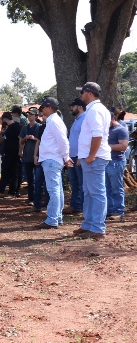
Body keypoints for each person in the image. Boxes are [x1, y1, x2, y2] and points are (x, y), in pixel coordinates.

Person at [76, 82, 112, 239]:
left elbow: (97, 135)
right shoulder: (96, 109)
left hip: (95, 158)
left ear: (89, 93)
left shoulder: (95, 110)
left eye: (82, 92)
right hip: (92, 157)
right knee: (90, 192)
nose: (80, 95)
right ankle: (89, 224)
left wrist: (91, 155)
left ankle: (97, 228)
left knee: (96, 193)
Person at [33, 97, 70, 229]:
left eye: (43, 107)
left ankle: (52, 219)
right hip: (53, 159)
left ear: (49, 108)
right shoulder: (52, 121)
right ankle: (57, 217)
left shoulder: (54, 121)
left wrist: (66, 156)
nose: (41, 110)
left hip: (52, 160)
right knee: (57, 189)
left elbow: (63, 140)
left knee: (53, 190)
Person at [106, 108, 128, 221]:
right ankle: (109, 210)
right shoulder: (106, 130)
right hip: (106, 161)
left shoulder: (121, 130)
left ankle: (119, 210)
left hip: (116, 162)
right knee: (107, 188)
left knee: (116, 187)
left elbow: (123, 146)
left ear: (113, 118)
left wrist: (106, 147)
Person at [66, 98, 86, 214]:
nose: (71, 108)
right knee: (74, 182)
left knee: (82, 183)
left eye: (73, 106)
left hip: (79, 156)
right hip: (72, 156)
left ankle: (83, 207)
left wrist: (80, 156)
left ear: (79, 107)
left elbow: (84, 139)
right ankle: (75, 206)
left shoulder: (84, 119)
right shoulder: (76, 120)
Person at [20, 108, 41, 202]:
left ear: (36, 116)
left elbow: (42, 141)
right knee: (29, 179)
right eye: (28, 114)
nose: (29, 116)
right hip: (27, 156)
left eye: (32, 114)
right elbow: (21, 142)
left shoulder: (40, 127)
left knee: (38, 180)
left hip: (37, 156)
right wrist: (25, 137)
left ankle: (38, 199)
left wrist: (34, 138)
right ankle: (30, 198)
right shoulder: (25, 128)